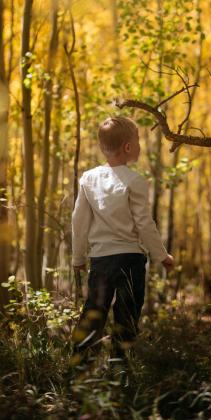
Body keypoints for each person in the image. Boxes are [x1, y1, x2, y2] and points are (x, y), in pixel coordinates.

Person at [71, 115, 174, 365]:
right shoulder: (135, 181)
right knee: (127, 316)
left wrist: (78, 257)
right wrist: (162, 255)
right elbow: (144, 223)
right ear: (128, 147)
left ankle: (79, 366)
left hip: (100, 260)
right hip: (130, 260)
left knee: (94, 312)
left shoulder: (88, 179)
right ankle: (120, 368)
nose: (139, 145)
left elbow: (79, 220)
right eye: (137, 140)